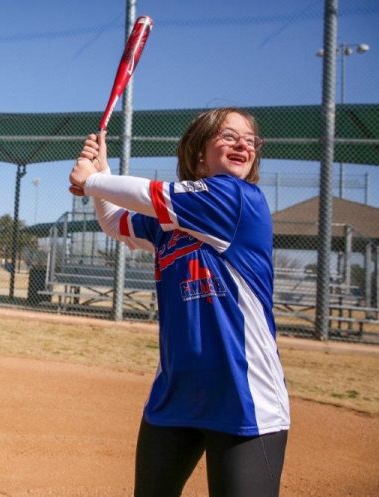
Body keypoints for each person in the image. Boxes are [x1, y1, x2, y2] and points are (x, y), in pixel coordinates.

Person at [69, 107, 290, 497]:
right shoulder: (169, 222)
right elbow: (115, 222)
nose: (243, 144)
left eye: (250, 139)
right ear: (198, 152)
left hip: (242, 395)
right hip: (177, 391)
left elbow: (154, 193)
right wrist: (100, 174)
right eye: (228, 135)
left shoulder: (238, 197)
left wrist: (94, 180)